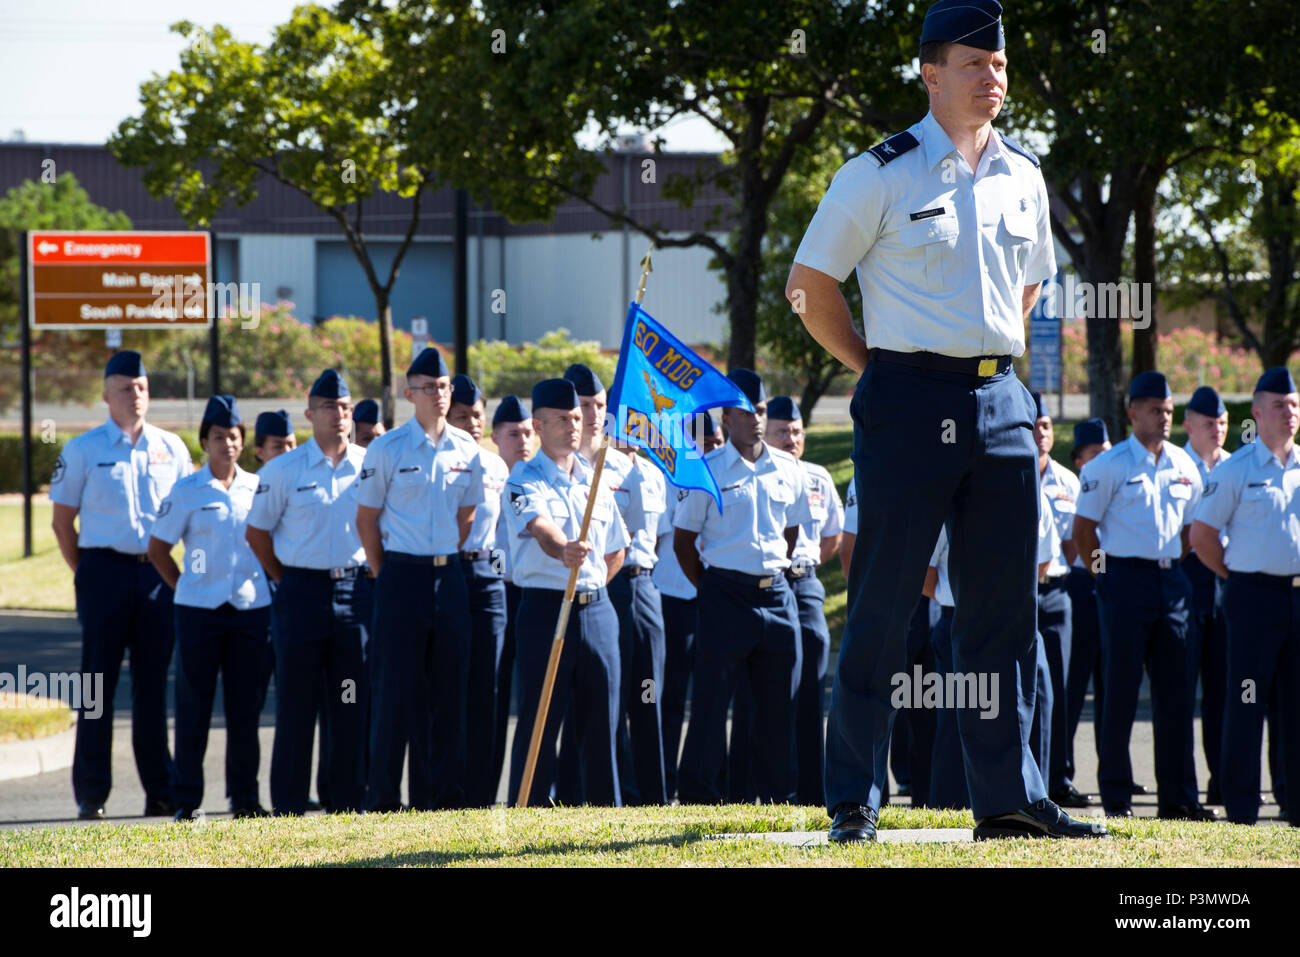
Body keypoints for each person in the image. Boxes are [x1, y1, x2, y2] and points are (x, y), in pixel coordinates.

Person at [786, 0, 1104, 840]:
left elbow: (1028, 290)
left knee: (1005, 613)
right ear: (931, 74)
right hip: (906, 398)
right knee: (885, 608)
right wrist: (880, 369)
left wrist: (987, 366)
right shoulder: (879, 172)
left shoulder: (1024, 176)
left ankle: (1007, 798)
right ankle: (855, 797)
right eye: (975, 65)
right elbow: (810, 288)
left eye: (999, 66)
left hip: (1001, 402)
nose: (992, 79)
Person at [50, 350, 192, 821]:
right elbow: (62, 522)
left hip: (155, 575)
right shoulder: (83, 450)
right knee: (97, 686)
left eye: (142, 387)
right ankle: (92, 792)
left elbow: (187, 516)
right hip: (103, 572)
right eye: (126, 388)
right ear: (106, 394)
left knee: (153, 688)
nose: (136, 395)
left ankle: (161, 789)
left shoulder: (172, 448)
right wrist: (87, 575)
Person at [1073, 371, 1217, 821]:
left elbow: (1193, 529)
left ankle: (1179, 799)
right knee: (1119, 691)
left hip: (1171, 581)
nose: (1164, 418)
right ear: (1132, 411)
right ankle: (1117, 797)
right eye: (1155, 410)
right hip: (1122, 581)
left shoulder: (1184, 465)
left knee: (1177, 693)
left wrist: (1173, 557)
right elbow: (1083, 533)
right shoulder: (1108, 466)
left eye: (1169, 411)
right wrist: (1103, 580)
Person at [355, 346, 483, 811]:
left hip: (448, 577)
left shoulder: (468, 450)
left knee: (449, 694)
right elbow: (366, 520)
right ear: (409, 393)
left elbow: (465, 514)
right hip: (400, 577)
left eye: (444, 387)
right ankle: (383, 800)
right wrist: (385, 574)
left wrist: (444, 558)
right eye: (428, 388)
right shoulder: (388, 449)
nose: (438, 395)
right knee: (394, 694)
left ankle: (442, 801)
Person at [673, 369, 809, 805]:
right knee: (711, 707)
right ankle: (698, 800)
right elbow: (683, 544)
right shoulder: (705, 471)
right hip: (724, 596)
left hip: (776, 595)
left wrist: (767, 571)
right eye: (744, 411)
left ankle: (774, 801)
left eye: (761, 410)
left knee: (778, 709)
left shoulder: (788, 468)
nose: (754, 418)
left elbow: (790, 531)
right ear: (725, 419)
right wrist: (714, 586)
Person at [245, 370, 371, 816]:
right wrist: (285, 578)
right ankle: (290, 805)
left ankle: (346, 800)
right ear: (309, 414)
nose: (337, 416)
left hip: (356, 593)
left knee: (350, 699)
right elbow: (257, 533)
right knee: (297, 704)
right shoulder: (283, 470)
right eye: (327, 408)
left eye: (344, 407)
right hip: (301, 592)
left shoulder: (370, 464)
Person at [504, 378, 629, 806]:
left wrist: (592, 586)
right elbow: (541, 529)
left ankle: (602, 818)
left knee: (603, 722)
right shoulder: (523, 478)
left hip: (597, 610)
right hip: (545, 610)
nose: (574, 426)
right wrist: (565, 551)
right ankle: (527, 816)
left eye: (577, 417)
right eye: (562, 419)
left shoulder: (595, 479)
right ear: (538, 426)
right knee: (541, 719)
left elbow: (618, 548)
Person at [147, 395, 270, 820]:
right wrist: (184, 587)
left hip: (251, 610)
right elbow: (158, 547)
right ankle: (187, 800)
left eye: (234, 436)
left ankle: (246, 799)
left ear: (242, 441)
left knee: (245, 709)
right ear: (205, 441)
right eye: (219, 437)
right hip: (199, 611)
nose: (228, 444)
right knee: (194, 706)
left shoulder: (257, 488)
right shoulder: (186, 491)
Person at [1190, 367, 1300, 827]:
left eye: (1294, 405)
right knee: (1247, 701)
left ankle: (1295, 805)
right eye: (1280, 405)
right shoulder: (1237, 468)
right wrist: (1234, 576)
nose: (1289, 413)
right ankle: (1241, 808)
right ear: (1257, 412)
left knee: (1295, 707)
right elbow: (1202, 535)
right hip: (1252, 596)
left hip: (1295, 598)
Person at [764, 395, 844, 806]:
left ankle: (814, 794)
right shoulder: (756, 473)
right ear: (764, 433)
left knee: (811, 689)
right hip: (767, 588)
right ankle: (766, 789)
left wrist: (806, 565)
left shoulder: (817, 477)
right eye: (782, 431)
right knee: (769, 691)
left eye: (796, 432)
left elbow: (832, 534)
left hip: (805, 585)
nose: (791, 438)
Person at [447, 374, 511, 806]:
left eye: (476, 414)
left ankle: (481, 796)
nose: (471, 422)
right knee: (447, 689)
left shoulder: (496, 466)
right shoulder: (438, 462)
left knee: (487, 690)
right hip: (446, 574)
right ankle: (443, 793)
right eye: (462, 415)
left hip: (487, 578)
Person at [655, 411, 723, 801]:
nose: (707, 451)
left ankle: (709, 787)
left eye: (713, 443)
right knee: (669, 698)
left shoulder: (724, 476)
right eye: (700, 443)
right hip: (673, 597)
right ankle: (663, 785)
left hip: (715, 601)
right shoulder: (669, 478)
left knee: (713, 701)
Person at [1181, 386, 1230, 805]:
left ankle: (1221, 780)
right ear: (1189, 425)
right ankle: (1182, 789)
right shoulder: (1177, 466)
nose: (1217, 429)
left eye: (1222, 422)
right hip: (1184, 583)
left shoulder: (1235, 466)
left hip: (1227, 587)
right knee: (1179, 693)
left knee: (1223, 692)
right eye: (1209, 422)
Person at [1061, 418, 1114, 802]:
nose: (1102, 460)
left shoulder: (1117, 482)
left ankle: (1114, 773)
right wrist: (1099, 570)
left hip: (1116, 586)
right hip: (1082, 585)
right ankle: (1061, 775)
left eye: (1107, 452)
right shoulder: (1070, 486)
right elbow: (1070, 544)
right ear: (1080, 460)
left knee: (1112, 687)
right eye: (1095, 454)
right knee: (1073, 686)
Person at [1030, 392, 1077, 806]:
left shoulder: (1067, 481)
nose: (1040, 434)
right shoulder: (1007, 475)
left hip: (1057, 593)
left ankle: (1057, 778)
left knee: (1056, 688)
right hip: (1021, 596)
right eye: (1033, 426)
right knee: (1025, 689)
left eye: (1045, 426)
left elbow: (1075, 542)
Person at [489, 394, 535, 797]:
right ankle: (485, 791)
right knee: (494, 695)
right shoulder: (487, 478)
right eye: (513, 434)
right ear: (495, 438)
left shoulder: (540, 479)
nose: (522, 440)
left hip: (532, 592)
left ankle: (532, 791)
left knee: (535, 695)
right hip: (495, 592)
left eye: (527, 432)